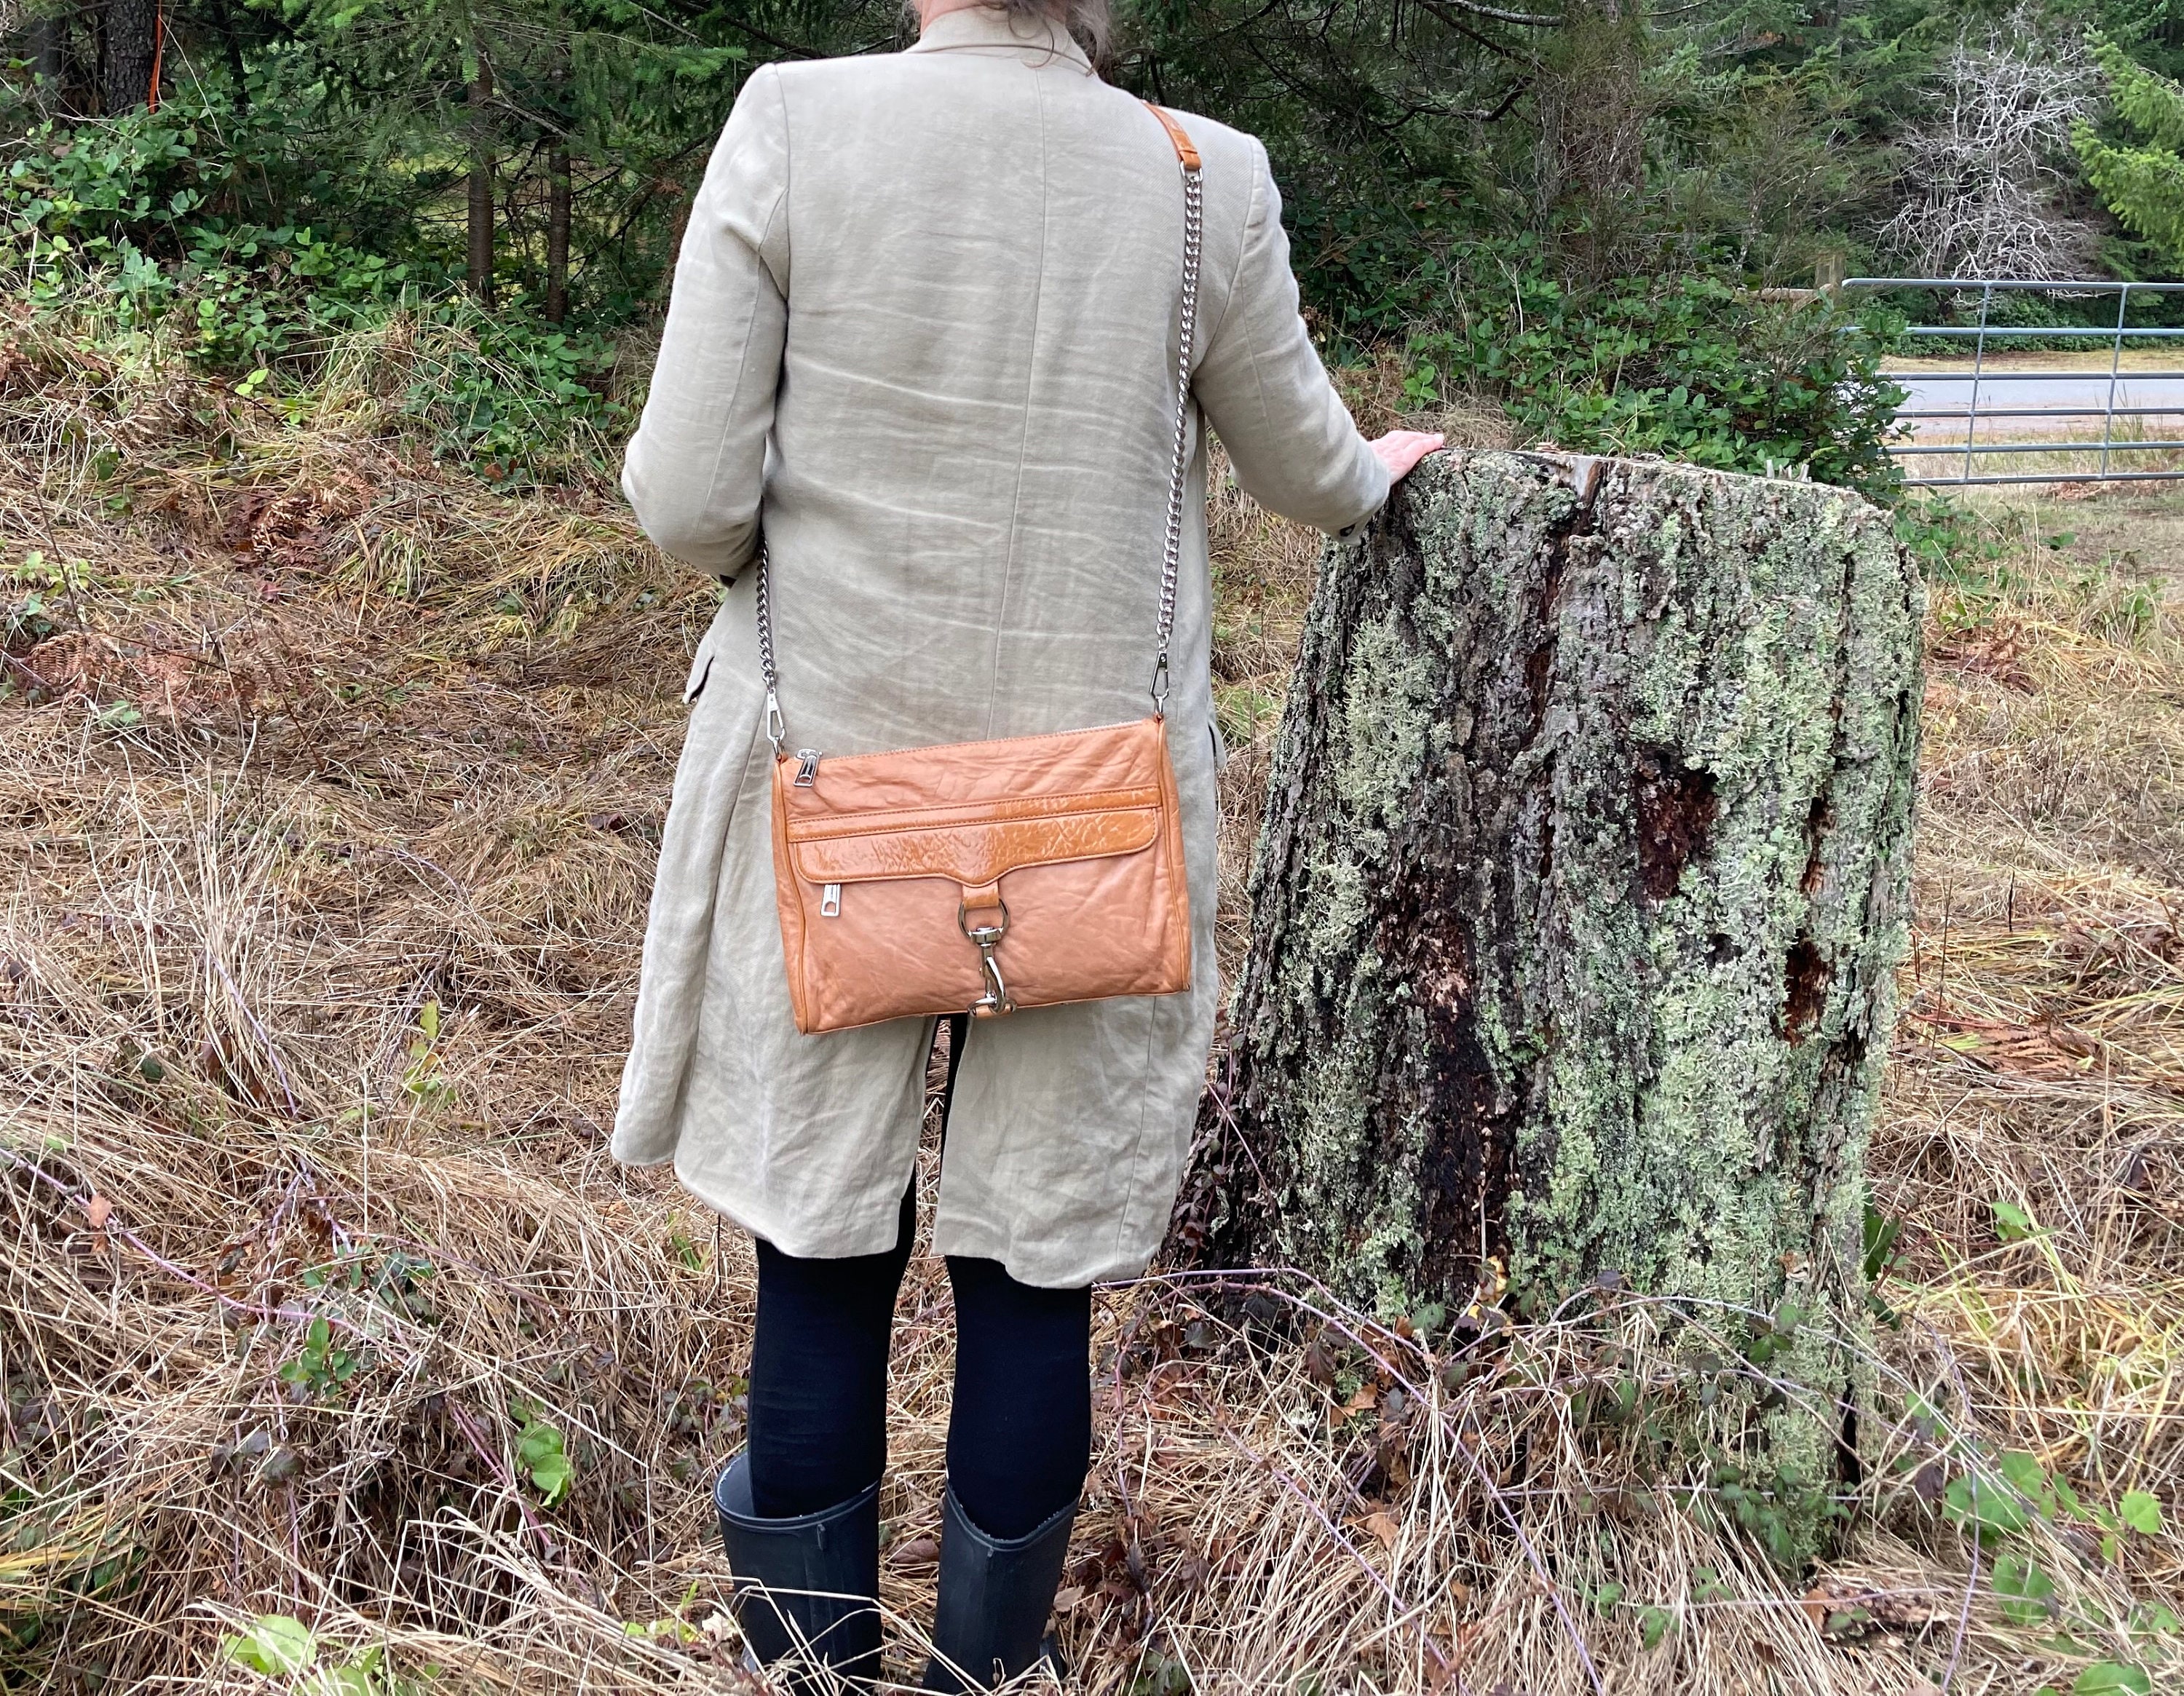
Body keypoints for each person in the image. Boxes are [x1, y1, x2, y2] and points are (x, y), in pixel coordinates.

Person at [612, 0, 1442, 1687]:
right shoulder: (1203, 175)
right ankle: (987, 1674)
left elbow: (689, 498)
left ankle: (809, 1667)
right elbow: (1309, 472)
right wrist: (1379, 470)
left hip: (824, 799)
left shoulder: (791, 120)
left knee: (820, 1239)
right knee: (1033, 1263)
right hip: (1095, 822)